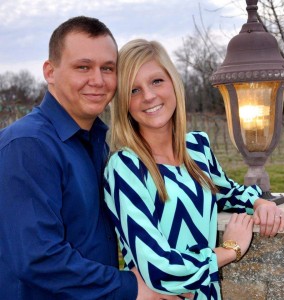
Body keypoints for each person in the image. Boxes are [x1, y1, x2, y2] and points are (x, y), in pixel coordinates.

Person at [0, 17, 192, 300]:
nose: (98, 80)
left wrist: (255, 202)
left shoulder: (98, 145)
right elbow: (38, 258)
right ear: (50, 72)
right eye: (83, 67)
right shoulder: (27, 145)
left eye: (107, 68)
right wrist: (129, 287)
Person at [103, 39, 284, 299]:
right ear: (123, 103)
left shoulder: (196, 148)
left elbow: (223, 191)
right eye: (133, 90)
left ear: (173, 83)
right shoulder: (125, 168)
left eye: (156, 81)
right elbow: (159, 270)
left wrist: (258, 202)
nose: (149, 96)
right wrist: (230, 249)